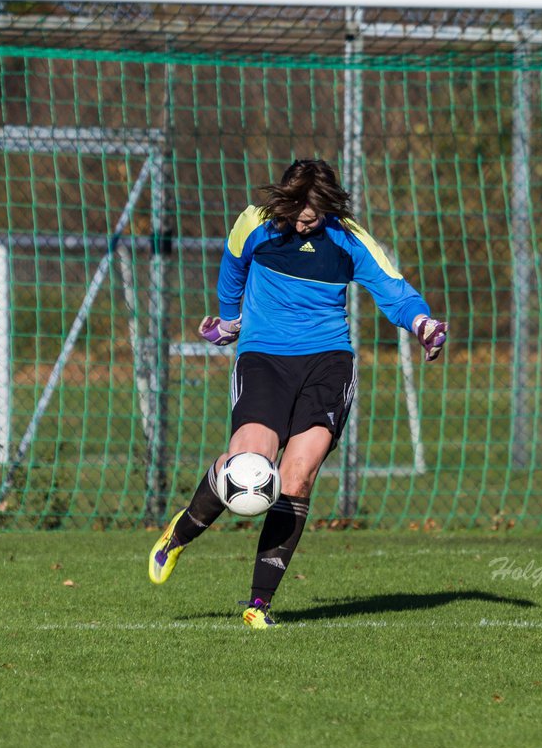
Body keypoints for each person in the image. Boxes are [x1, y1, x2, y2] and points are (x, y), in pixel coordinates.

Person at [147, 159, 447, 629]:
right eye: (298, 209)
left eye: (314, 211)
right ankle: (178, 535)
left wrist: (423, 323)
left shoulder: (349, 239)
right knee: (247, 462)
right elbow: (233, 264)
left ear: (328, 205)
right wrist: (228, 320)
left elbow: (395, 291)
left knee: (297, 477)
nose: (305, 219)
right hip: (264, 357)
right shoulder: (257, 223)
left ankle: (258, 605)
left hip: (327, 363)